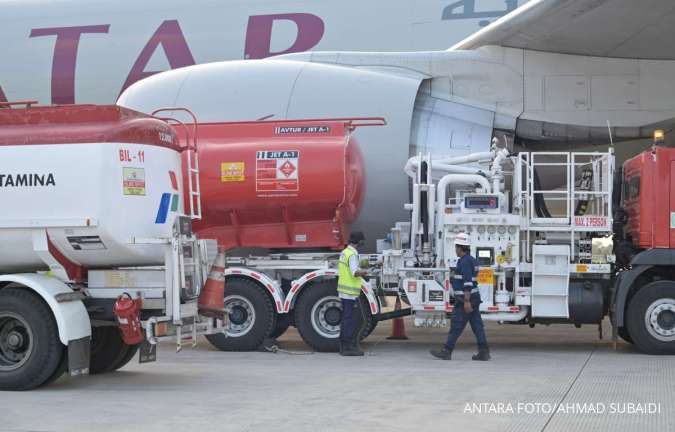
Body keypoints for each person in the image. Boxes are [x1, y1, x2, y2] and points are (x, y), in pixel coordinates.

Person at [430, 232, 491, 361]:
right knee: (477, 326)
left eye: (456, 247)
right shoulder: (471, 260)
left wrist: (467, 301)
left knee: (456, 325)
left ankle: (447, 351)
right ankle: (484, 352)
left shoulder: (464, 262)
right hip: (472, 298)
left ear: (460, 247)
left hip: (466, 299)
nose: (455, 250)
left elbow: (467, 282)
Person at [337, 231, 369, 356]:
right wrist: (366, 272)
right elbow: (355, 272)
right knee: (351, 320)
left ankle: (343, 346)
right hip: (350, 292)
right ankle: (348, 347)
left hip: (344, 291)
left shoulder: (345, 252)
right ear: (359, 242)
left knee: (346, 319)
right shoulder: (352, 255)